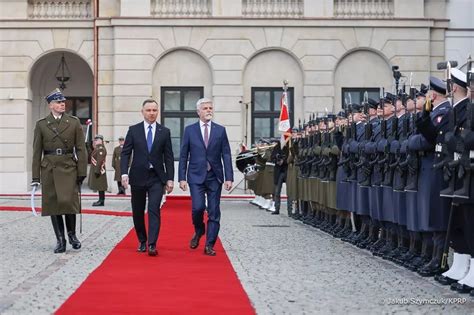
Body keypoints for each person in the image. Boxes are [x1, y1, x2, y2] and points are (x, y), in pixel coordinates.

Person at [31, 88, 87, 253]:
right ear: (50, 105)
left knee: (68, 202)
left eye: (63, 102)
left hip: (68, 166)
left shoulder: (74, 122)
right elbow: (36, 152)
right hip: (49, 168)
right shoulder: (41, 124)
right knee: (53, 205)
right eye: (58, 102)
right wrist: (35, 177)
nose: (62, 104)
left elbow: (81, 148)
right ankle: (60, 240)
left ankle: (72, 235)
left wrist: (82, 171)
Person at [178, 98, 234, 256]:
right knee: (198, 208)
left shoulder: (220, 130)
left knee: (214, 211)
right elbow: (183, 155)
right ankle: (199, 230)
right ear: (198, 112)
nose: (209, 110)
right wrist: (182, 177)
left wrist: (229, 177)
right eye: (205, 108)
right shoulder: (190, 130)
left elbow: (226, 154)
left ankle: (210, 244)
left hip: (214, 176)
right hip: (195, 176)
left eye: (210, 108)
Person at [121, 99, 174, 256]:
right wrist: (124, 173)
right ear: (142, 112)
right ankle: (142, 240)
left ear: (158, 112)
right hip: (137, 176)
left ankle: (152, 244)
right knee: (137, 211)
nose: (152, 113)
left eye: (154, 110)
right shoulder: (134, 130)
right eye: (148, 110)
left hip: (156, 177)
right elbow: (125, 154)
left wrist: (170, 179)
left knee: (154, 209)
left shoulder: (164, 132)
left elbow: (169, 157)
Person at [88, 134, 108, 206]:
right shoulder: (97, 148)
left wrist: (97, 170)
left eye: (97, 140)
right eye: (95, 140)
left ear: (101, 141)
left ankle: (101, 201)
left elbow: (99, 161)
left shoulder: (100, 149)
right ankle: (100, 200)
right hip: (98, 169)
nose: (95, 141)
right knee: (100, 186)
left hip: (99, 170)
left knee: (101, 186)